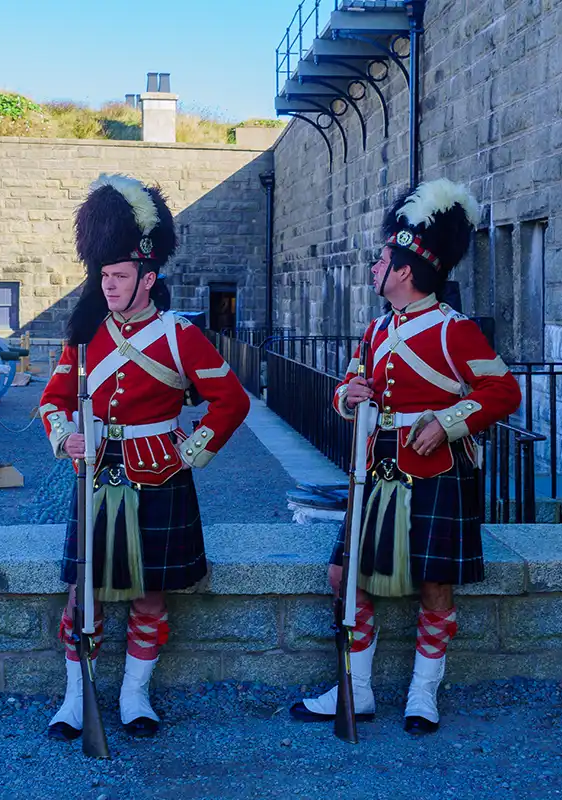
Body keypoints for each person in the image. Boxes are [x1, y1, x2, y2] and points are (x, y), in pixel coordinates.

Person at [290, 178, 522, 734]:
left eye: (380, 260)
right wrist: (349, 397)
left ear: (404, 269)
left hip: (434, 470)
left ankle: (423, 694)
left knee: (435, 584)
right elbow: (348, 386)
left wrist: (447, 422)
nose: (374, 268)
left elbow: (504, 393)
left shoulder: (454, 331)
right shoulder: (375, 330)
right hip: (376, 468)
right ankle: (358, 689)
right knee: (345, 575)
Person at [39, 173, 250, 740]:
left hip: (159, 478)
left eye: (119, 276)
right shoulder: (85, 337)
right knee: (83, 594)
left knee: (149, 596)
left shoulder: (180, 336)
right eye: (103, 275)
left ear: (147, 278)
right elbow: (53, 401)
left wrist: (189, 450)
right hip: (96, 477)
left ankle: (136, 696)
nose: (108, 286)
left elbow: (231, 401)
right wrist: (65, 437)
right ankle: (74, 698)